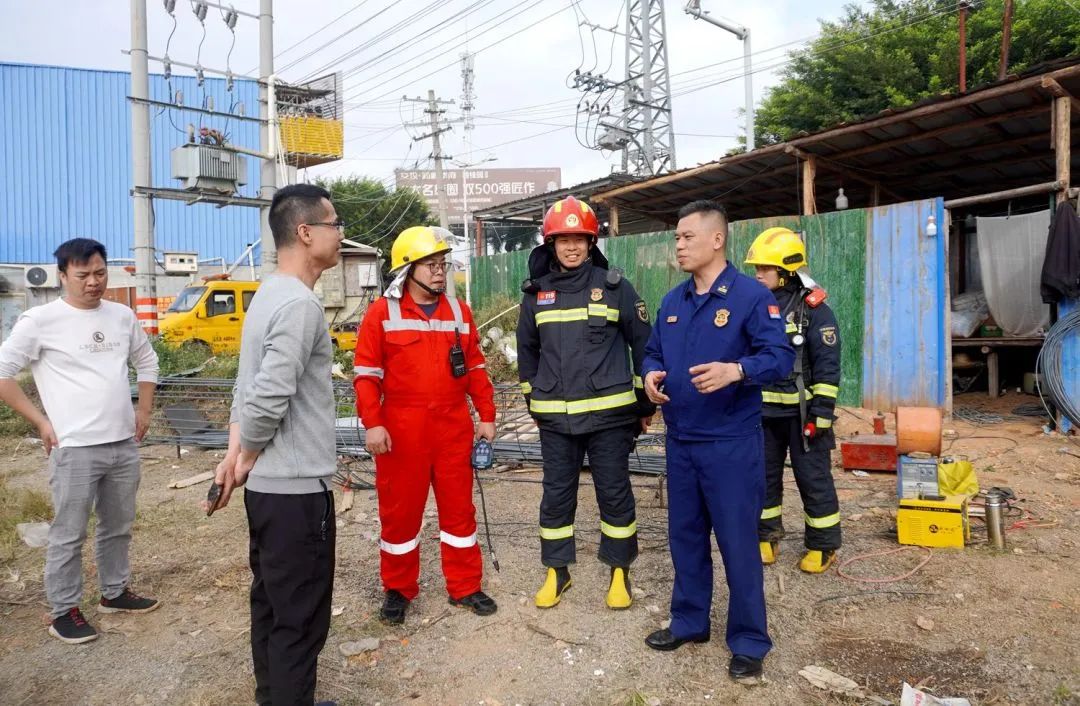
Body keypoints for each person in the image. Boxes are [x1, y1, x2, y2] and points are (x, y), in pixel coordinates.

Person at [641, 200, 794, 680]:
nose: (679, 245)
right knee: (684, 538)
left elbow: (780, 359)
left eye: (687, 237)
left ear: (716, 239)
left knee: (737, 544)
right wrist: (648, 376)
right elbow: (650, 353)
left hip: (730, 443)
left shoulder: (751, 297)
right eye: (677, 238)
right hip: (681, 440)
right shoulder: (672, 302)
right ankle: (689, 622)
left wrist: (737, 370)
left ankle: (749, 640)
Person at [211, 183, 342, 706]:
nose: (340, 234)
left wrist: (235, 456)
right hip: (295, 492)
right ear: (306, 232)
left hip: (268, 493)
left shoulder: (267, 294)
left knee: (271, 606)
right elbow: (267, 394)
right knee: (300, 621)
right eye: (334, 224)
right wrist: (245, 455)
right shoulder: (300, 305)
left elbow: (245, 388)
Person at [0, 238, 159, 645]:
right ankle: (63, 611)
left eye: (100, 273)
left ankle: (115, 592)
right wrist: (41, 422)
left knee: (118, 525)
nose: (93, 282)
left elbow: (147, 361)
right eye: (83, 275)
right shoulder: (39, 320)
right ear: (63, 276)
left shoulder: (121, 316)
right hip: (74, 447)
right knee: (68, 533)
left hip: (123, 444)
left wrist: (143, 411)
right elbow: (4, 374)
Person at [353, 225, 498, 625]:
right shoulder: (382, 313)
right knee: (399, 513)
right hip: (402, 429)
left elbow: (475, 367)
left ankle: (465, 586)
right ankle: (398, 589)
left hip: (452, 426)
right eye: (431, 265)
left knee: (459, 511)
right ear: (407, 269)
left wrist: (486, 415)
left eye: (442, 264)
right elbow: (366, 376)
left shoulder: (459, 312)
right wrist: (373, 424)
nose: (439, 272)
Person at [515, 195, 655, 609]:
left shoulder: (615, 288)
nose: (572, 247)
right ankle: (557, 573)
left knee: (614, 494)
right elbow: (527, 353)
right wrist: (534, 403)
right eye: (563, 240)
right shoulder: (536, 295)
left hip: (610, 419)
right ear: (550, 244)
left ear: (592, 242)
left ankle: (619, 572)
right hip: (557, 422)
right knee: (557, 496)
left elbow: (643, 347)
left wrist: (644, 407)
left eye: (580, 239)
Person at [745, 227, 842, 573]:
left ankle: (823, 543)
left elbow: (828, 370)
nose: (757, 275)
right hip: (763, 413)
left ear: (786, 270)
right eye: (756, 269)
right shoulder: (755, 306)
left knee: (813, 479)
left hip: (803, 417)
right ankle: (766, 536)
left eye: (764, 269)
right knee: (762, 478)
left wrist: (821, 416)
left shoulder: (815, 310)